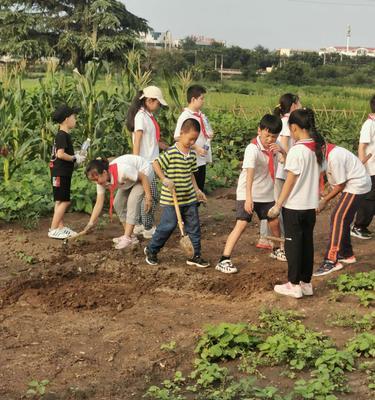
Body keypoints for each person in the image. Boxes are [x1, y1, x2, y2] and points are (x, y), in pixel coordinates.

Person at [215, 114, 286, 274]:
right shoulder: (252, 149)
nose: (270, 139)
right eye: (267, 135)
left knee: (273, 221)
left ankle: (276, 249)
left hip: (266, 193)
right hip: (247, 192)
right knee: (242, 223)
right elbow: (249, 175)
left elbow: (286, 162)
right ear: (259, 131)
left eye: (273, 136)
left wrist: (282, 151)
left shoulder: (276, 146)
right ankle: (224, 259)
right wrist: (248, 198)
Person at [268, 108, 322, 298]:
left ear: (294, 127)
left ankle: (293, 284)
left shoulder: (298, 150)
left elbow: (290, 181)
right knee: (307, 244)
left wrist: (278, 205)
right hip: (309, 206)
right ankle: (306, 283)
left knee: (293, 245)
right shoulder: (316, 148)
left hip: (294, 207)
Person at [144, 118, 209, 268]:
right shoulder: (172, 152)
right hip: (171, 199)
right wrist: (164, 179)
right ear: (181, 133)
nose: (192, 142)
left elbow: (192, 173)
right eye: (190, 139)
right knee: (168, 225)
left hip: (189, 198)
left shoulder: (192, 155)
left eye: (194, 140)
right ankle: (151, 249)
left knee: (194, 226)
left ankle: (195, 255)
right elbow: (155, 163)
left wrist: (197, 190)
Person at [313, 133, 371, 276]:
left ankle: (331, 260)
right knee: (341, 218)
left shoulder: (334, 156)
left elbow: (340, 185)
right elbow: (327, 179)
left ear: (322, 147)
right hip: (350, 184)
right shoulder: (324, 154)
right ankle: (346, 254)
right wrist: (321, 194)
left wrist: (324, 200)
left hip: (357, 185)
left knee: (338, 217)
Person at [257, 93, 301, 249]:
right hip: (281, 172)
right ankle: (273, 239)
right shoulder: (287, 122)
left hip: (279, 170)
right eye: (299, 102)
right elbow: (283, 143)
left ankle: (266, 237)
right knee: (276, 205)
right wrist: (286, 158)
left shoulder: (282, 121)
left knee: (271, 203)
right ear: (294, 105)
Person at [83, 155, 153, 249]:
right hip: (130, 179)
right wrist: (90, 223)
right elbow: (99, 202)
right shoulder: (101, 181)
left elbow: (143, 177)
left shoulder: (122, 170)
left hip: (144, 173)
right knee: (118, 203)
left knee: (133, 201)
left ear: (104, 173)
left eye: (96, 179)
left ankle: (127, 237)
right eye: (93, 181)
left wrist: (148, 197)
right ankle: (131, 236)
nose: (96, 182)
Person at [126, 86, 168, 239]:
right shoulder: (140, 117)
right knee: (152, 196)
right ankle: (147, 227)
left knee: (146, 196)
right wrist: (136, 163)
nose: (159, 106)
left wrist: (163, 146)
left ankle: (139, 225)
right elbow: (137, 141)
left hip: (151, 162)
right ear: (149, 100)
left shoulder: (148, 115)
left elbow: (150, 140)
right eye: (158, 103)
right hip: (145, 164)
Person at [48, 104, 86, 239]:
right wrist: (75, 158)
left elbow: (62, 153)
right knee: (64, 201)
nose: (75, 119)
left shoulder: (61, 135)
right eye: (73, 117)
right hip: (61, 172)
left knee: (59, 201)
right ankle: (53, 229)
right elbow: (60, 154)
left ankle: (60, 227)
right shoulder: (62, 135)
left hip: (58, 172)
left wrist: (75, 154)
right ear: (66, 119)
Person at [174, 84, 214, 193]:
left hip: (201, 159)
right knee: (191, 191)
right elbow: (177, 137)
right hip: (191, 159)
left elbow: (207, 132)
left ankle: (195, 209)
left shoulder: (202, 116)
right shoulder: (185, 116)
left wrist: (209, 135)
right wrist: (196, 148)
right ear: (193, 99)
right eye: (201, 98)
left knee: (199, 189)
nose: (203, 101)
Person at [351, 94, 375, 240]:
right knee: (369, 198)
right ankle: (358, 226)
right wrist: (362, 166)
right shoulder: (369, 124)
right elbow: (362, 146)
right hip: (370, 168)